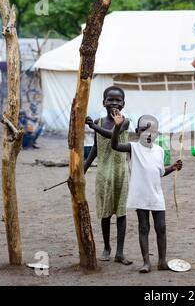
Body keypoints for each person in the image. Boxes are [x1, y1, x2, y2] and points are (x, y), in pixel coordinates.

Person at [110, 111, 183, 273]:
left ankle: (162, 261)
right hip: (140, 195)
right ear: (137, 132)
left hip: (156, 195)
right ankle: (146, 262)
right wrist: (117, 127)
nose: (149, 135)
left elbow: (159, 172)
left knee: (161, 227)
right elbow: (114, 145)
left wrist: (173, 167)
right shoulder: (132, 148)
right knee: (144, 227)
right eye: (144, 130)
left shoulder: (159, 151)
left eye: (153, 131)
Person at [84, 86, 132, 265]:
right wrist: (84, 167)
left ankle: (119, 252)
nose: (114, 103)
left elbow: (112, 135)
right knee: (105, 213)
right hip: (103, 173)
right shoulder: (98, 121)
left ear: (123, 104)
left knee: (121, 212)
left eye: (118, 100)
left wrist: (93, 126)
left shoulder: (124, 122)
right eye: (110, 99)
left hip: (120, 172)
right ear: (103, 102)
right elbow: (96, 148)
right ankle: (106, 247)